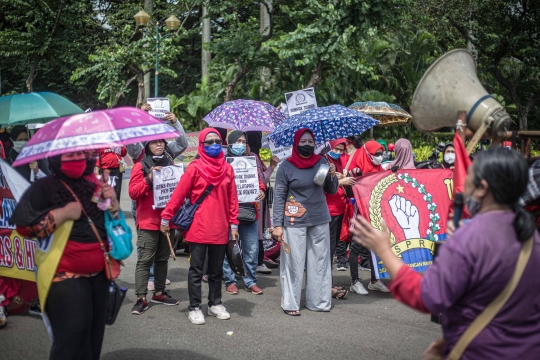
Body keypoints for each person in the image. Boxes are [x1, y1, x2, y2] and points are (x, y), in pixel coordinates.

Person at [351, 147, 540, 359]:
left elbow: (427, 296)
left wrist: (384, 251)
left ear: (482, 188)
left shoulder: (471, 238)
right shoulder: (529, 235)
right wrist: (456, 338)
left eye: (468, 175)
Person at [11, 151, 119, 360]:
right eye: (69, 155)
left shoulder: (93, 186)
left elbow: (110, 222)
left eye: (81, 154)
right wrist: (61, 214)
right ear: (55, 158)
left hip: (99, 276)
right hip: (64, 276)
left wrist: (112, 202)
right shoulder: (43, 188)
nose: (76, 159)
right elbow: (24, 228)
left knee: (92, 340)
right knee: (71, 339)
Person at [160, 128, 239, 325]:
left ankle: (215, 304)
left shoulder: (227, 169)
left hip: (220, 228)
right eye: (209, 142)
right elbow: (178, 195)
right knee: (196, 270)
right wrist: (165, 217)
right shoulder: (195, 168)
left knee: (216, 270)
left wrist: (234, 224)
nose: (213, 145)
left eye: (217, 141)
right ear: (202, 145)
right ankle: (194, 307)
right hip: (198, 227)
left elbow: (233, 199)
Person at [272, 129, 339, 315]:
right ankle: (291, 303)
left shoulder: (323, 162)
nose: (307, 145)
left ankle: (318, 301)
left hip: (319, 218)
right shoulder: (286, 166)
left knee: (320, 261)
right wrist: (277, 224)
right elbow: (278, 197)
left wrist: (333, 175)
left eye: (310, 141)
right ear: (295, 143)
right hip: (294, 220)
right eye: (303, 141)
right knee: (293, 261)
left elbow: (331, 190)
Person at [129, 140, 180, 315]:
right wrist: (148, 179)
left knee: (162, 258)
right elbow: (133, 193)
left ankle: (159, 293)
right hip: (148, 222)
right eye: (154, 143)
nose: (159, 146)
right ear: (147, 146)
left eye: (162, 143)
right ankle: (141, 298)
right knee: (144, 260)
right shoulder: (140, 166)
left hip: (167, 221)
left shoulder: (171, 166)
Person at [339, 140, 390, 293]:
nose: (379, 157)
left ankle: (375, 280)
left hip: (376, 213)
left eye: (381, 154)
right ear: (368, 154)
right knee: (355, 247)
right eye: (376, 154)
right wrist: (353, 179)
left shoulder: (381, 169)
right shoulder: (357, 170)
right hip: (361, 213)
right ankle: (355, 281)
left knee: (374, 246)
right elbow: (349, 193)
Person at [222, 131, 266, 295]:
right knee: (230, 248)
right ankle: (230, 280)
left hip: (249, 212)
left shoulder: (251, 163)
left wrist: (261, 190)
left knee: (252, 249)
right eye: (237, 141)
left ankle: (250, 281)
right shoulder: (223, 163)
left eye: (243, 141)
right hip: (228, 214)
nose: (240, 144)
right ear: (230, 143)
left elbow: (259, 182)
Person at [326, 139, 356, 298]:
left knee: (331, 249)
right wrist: (341, 181)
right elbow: (322, 185)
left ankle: (328, 283)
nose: (337, 152)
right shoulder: (324, 161)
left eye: (340, 150)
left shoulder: (336, 162)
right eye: (335, 149)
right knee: (328, 250)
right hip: (328, 211)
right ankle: (326, 285)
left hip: (338, 210)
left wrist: (343, 177)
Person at [246, 130, 280, 273]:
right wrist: (272, 166)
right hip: (256, 201)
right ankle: (258, 262)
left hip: (253, 199)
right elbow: (262, 179)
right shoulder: (253, 157)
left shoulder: (252, 156)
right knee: (257, 232)